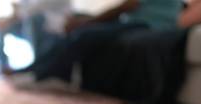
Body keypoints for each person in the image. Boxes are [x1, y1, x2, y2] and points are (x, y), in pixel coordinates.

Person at [19, 0, 183, 82]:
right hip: (134, 22)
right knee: (79, 30)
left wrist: (87, 23)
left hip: (149, 25)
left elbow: (127, 6)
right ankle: (34, 70)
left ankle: (41, 74)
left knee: (83, 35)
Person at [0, 0, 70, 75]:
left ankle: (36, 69)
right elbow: (24, 9)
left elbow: (35, 8)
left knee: (34, 20)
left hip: (51, 25)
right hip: (27, 23)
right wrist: (11, 18)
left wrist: (17, 12)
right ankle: (4, 66)